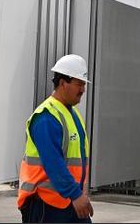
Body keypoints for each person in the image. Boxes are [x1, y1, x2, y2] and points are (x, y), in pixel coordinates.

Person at [18, 54, 93, 223]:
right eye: (79, 84)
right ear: (62, 83)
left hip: (70, 202)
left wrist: (78, 195)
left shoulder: (72, 114)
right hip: (46, 204)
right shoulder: (46, 117)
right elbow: (53, 162)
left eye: (84, 84)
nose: (83, 89)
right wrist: (75, 194)